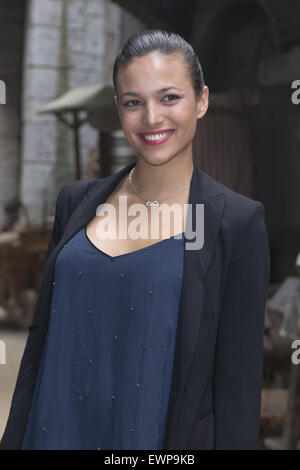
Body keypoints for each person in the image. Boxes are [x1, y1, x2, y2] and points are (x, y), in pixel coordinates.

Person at [0, 29, 270, 450]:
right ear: (117, 110)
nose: (151, 118)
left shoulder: (234, 224)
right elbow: (38, 348)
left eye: (169, 98)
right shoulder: (76, 202)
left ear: (201, 101)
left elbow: (236, 392)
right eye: (133, 102)